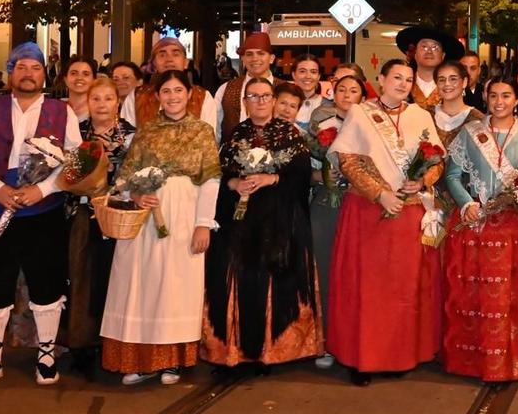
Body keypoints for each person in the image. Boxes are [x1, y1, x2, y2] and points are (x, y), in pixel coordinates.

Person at [0, 42, 83, 389]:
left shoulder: (62, 111)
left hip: (43, 209)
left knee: (47, 282)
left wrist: (41, 190)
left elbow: (74, 162)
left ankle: (45, 356)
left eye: (35, 68)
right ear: (11, 72)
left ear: (45, 73)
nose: (28, 74)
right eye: (21, 67)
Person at [326, 60, 444, 385]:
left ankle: (399, 354)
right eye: (396, 78)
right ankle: (361, 357)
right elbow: (347, 160)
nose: (403, 83)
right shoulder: (361, 114)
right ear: (380, 79)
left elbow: (437, 161)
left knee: (403, 286)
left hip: (409, 212)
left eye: (408, 79)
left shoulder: (420, 116)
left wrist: (421, 183)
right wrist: (379, 194)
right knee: (367, 287)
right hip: (368, 212)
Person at [99, 70, 220, 384]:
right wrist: (136, 193)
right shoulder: (147, 132)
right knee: (139, 285)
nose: (173, 97)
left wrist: (203, 224)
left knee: (175, 287)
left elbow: (210, 181)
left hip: (184, 214)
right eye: (166, 91)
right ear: (157, 97)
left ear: (189, 94)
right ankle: (140, 360)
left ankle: (172, 360)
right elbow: (123, 178)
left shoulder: (202, 131)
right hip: (146, 216)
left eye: (178, 90)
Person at [440, 78, 518, 380]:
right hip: (478, 222)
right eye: (493, 95)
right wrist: (466, 202)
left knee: (516, 295)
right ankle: (478, 359)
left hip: (517, 226)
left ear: (516, 100)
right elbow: (452, 174)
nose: (499, 101)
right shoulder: (470, 133)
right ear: (485, 97)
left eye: (506, 96)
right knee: (480, 294)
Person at [202, 77, 319, 372]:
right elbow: (221, 174)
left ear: (274, 99)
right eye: (253, 97)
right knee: (239, 279)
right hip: (241, 223)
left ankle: (276, 349)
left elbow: (302, 176)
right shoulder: (236, 134)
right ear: (245, 103)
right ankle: (239, 350)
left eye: (265, 96)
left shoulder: (290, 134)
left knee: (276, 279)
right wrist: (234, 182)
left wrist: (273, 178)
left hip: (280, 221)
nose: (260, 101)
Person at [63, 76, 134, 379]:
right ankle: (81, 343)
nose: (102, 105)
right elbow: (64, 170)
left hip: (118, 214)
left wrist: (114, 190)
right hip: (80, 213)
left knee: (115, 278)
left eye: (108, 99)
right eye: (96, 99)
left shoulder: (131, 135)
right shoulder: (75, 131)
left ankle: (113, 344)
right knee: (81, 275)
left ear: (117, 102)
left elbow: (136, 171)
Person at [306, 68, 364, 368]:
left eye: (354, 91)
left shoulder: (371, 124)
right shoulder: (320, 122)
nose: (347, 96)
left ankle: (355, 339)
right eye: (341, 90)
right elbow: (308, 164)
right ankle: (326, 341)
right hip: (326, 201)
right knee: (325, 269)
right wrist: (321, 175)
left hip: (359, 203)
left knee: (357, 275)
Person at [124, 36, 221, 139]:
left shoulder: (202, 96)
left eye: (175, 54)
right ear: (154, 63)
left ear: (185, 62)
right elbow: (127, 139)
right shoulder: (137, 96)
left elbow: (208, 139)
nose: (169, 60)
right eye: (162, 55)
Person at [219, 31, 280, 136]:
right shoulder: (226, 89)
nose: (255, 58)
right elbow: (215, 130)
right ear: (243, 59)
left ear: (271, 58)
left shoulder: (284, 88)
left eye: (261, 53)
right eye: (249, 54)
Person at [397, 25, 464, 111]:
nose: (429, 51)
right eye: (424, 47)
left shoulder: (454, 88)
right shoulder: (402, 84)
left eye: (435, 47)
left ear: (443, 56)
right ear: (415, 53)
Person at [429, 62, 484, 150]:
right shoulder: (427, 115)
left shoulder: (478, 119)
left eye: (453, 79)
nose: (447, 84)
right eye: (442, 80)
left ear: (464, 82)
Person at [60, 54, 98, 121]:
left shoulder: (100, 111)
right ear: (65, 79)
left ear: (94, 80)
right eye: (73, 73)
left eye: (86, 74)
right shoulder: (55, 109)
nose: (79, 78)